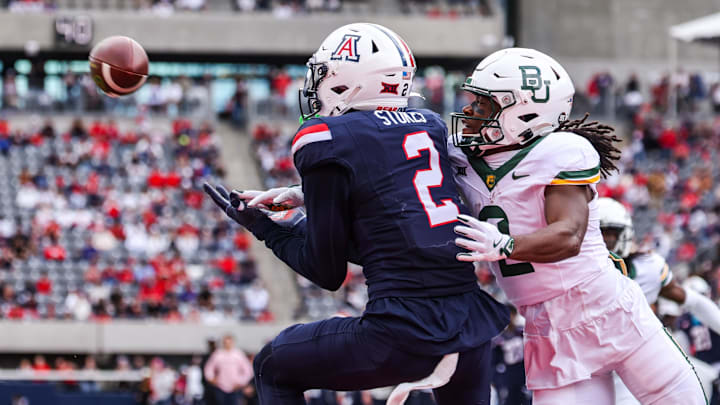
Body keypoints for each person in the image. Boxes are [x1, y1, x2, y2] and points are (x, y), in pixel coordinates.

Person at [204, 23, 509, 405]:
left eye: (323, 75)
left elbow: (326, 271)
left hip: (403, 331)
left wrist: (264, 228)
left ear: (350, 79)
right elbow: (393, 228)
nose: (315, 87)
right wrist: (300, 202)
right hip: (470, 325)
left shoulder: (327, 137)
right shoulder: (429, 125)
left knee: (272, 365)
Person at [446, 47, 706, 404]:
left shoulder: (560, 151)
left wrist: (505, 245)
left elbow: (569, 236)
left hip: (606, 307)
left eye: (484, 105)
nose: (470, 113)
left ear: (524, 112)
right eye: (474, 101)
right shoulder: (460, 158)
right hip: (548, 328)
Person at [598, 197, 720, 403]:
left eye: (609, 234)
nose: (603, 241)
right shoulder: (572, 272)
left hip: (637, 366)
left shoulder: (648, 268)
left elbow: (695, 301)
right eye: (598, 234)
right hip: (591, 369)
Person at [203, 334, 254, 405]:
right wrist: (212, 379)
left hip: (235, 388)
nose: (227, 345)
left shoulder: (238, 354)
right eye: (225, 342)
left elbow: (248, 371)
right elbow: (208, 369)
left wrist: (241, 382)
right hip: (220, 387)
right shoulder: (217, 354)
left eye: (229, 342)